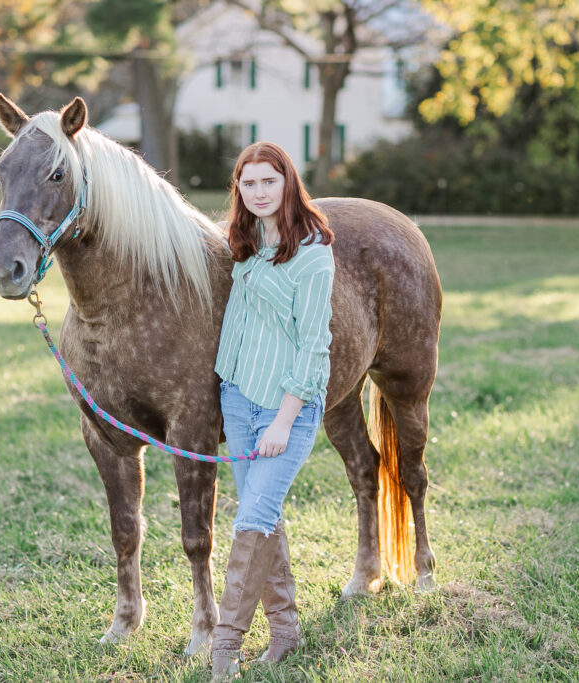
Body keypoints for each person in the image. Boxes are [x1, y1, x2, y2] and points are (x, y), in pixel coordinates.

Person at [212, 141, 335, 679]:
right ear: (238, 188)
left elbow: (314, 346)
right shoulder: (243, 242)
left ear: (288, 183)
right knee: (264, 517)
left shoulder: (312, 253)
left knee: (254, 517)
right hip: (237, 398)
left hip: (286, 409)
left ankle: (224, 649)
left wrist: (284, 421)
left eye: (269, 181)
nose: (259, 191)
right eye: (248, 182)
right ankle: (285, 632)